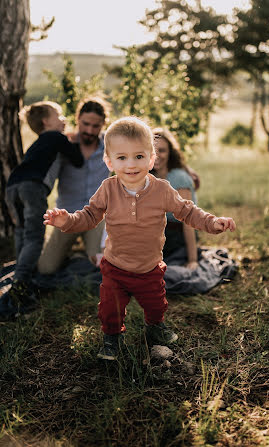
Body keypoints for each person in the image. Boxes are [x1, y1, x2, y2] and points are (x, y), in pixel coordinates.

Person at [43, 117, 236, 361]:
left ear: (152, 159)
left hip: (149, 267)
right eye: (122, 158)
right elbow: (90, 215)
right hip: (115, 267)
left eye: (139, 156)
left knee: (156, 304)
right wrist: (67, 221)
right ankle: (112, 339)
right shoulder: (108, 189)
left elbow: (187, 211)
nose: (131, 165)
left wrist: (212, 222)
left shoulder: (162, 190)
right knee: (110, 309)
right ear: (109, 161)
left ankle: (155, 327)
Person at [5, 101, 84, 311]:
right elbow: (77, 160)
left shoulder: (38, 143)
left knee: (22, 232)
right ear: (46, 122)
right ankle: (21, 284)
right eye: (58, 115)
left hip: (12, 187)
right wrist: (74, 141)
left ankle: (22, 275)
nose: (63, 119)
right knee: (34, 236)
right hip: (32, 188)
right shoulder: (55, 137)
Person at [38, 97, 110, 274]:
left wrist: (183, 167)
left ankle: (83, 251)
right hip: (67, 215)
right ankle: (75, 252)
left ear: (103, 124)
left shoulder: (110, 145)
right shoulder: (64, 145)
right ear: (78, 119)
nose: (89, 130)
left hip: (96, 217)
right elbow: (45, 175)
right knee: (46, 269)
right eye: (85, 124)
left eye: (95, 126)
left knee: (101, 265)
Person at [152, 128, 199, 269]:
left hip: (177, 236)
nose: (156, 155)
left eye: (162, 150)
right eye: (153, 150)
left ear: (170, 153)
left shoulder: (179, 178)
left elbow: (188, 222)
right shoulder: (146, 176)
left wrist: (193, 260)